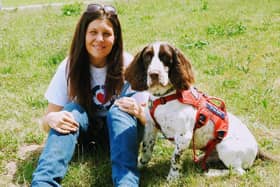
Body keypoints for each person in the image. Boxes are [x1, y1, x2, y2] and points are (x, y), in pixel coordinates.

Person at [31, 3, 148, 187]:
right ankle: (44, 182)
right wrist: (53, 118)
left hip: (120, 134)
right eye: (93, 32)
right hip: (83, 137)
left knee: (120, 109)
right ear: (83, 34)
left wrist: (140, 112)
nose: (99, 39)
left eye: (107, 34)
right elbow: (46, 121)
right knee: (70, 111)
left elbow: (151, 121)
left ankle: (126, 183)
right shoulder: (70, 66)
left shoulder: (128, 64)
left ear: (115, 38)